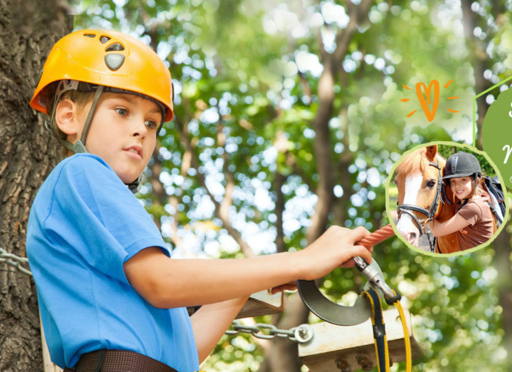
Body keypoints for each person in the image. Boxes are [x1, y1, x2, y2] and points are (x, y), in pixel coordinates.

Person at [26, 29, 372, 372]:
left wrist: (246, 286)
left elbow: (185, 351)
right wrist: (303, 260)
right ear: (68, 116)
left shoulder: (104, 211)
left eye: (151, 122)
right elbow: (161, 282)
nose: (141, 130)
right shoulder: (82, 172)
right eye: (121, 111)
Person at [425, 151, 495, 251]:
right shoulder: (462, 202)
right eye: (453, 181)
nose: (457, 186)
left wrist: (424, 209)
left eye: (463, 180)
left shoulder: (474, 207)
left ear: (475, 180)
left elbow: (436, 231)